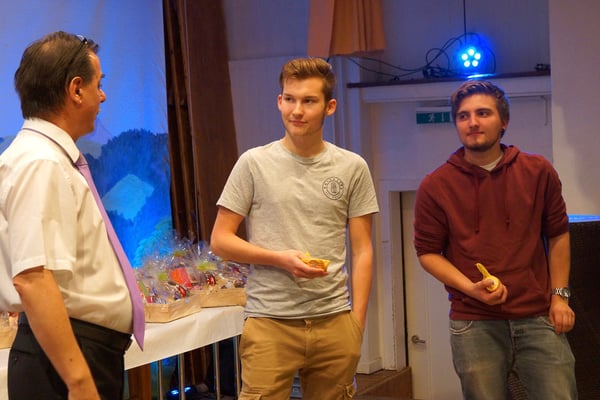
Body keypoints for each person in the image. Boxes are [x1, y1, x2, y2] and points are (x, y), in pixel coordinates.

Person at [210, 57, 379, 400]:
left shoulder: (352, 167)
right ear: (279, 101)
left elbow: (363, 250)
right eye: (289, 99)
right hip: (269, 321)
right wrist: (279, 258)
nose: (297, 111)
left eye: (309, 101)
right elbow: (220, 240)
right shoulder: (253, 163)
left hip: (334, 320)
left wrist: (356, 324)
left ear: (330, 107)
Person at [413, 80, 577, 399]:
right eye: (463, 116)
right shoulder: (435, 185)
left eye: (483, 113)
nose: (472, 122)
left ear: (504, 121)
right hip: (474, 322)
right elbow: (427, 253)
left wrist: (560, 297)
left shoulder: (538, 171)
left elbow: (558, 235)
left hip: (538, 315)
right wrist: (470, 288)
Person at [0, 31, 141, 399]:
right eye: (99, 84)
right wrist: (79, 381)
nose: (102, 96)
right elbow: (32, 277)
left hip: (75, 352)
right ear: (76, 89)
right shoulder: (41, 162)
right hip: (65, 362)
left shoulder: (47, 157)